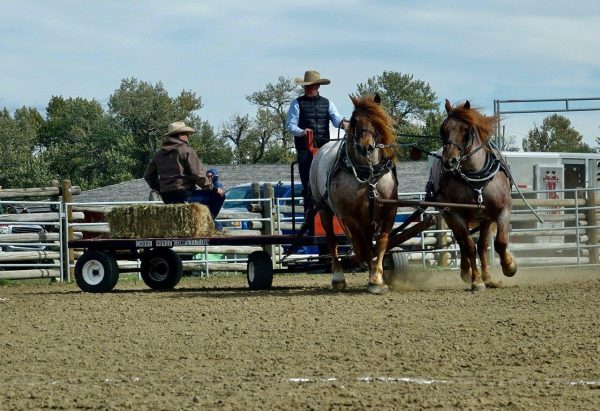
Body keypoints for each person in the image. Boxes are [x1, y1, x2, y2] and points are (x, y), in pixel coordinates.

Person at [285, 70, 349, 234]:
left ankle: (338, 218)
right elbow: (290, 126)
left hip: (325, 149)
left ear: (318, 86)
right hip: (306, 150)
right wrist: (302, 132)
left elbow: (336, 119)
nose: (309, 88)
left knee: (334, 181)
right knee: (308, 186)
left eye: (312, 85)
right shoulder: (296, 103)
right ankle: (309, 220)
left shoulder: (327, 103)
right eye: (307, 86)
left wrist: (344, 123)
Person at [144, 121, 224, 228]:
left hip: (167, 197)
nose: (188, 137)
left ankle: (209, 223)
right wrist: (213, 188)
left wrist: (160, 189)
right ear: (181, 136)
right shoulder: (186, 151)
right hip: (186, 196)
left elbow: (148, 176)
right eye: (187, 135)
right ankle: (208, 224)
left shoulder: (158, 155)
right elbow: (198, 175)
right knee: (219, 195)